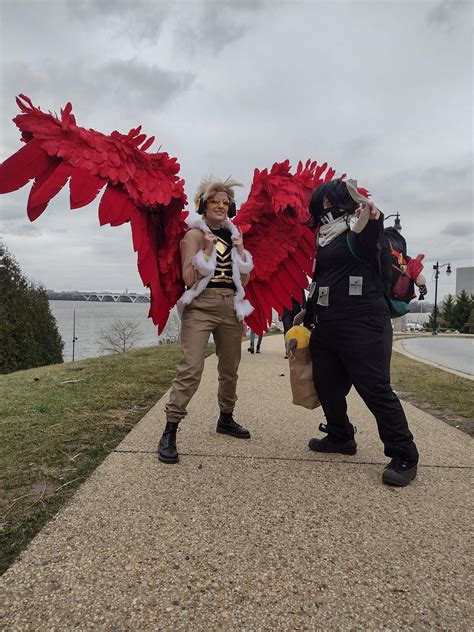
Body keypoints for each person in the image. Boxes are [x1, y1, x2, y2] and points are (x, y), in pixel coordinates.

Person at [300, 179, 419, 487]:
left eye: (330, 200)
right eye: (321, 202)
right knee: (326, 384)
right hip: (327, 324)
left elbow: (372, 231)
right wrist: (308, 312)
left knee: (375, 389)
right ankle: (340, 436)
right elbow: (324, 277)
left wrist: (369, 210)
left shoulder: (359, 229)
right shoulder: (323, 238)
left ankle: (404, 452)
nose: (325, 206)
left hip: (364, 323)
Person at [158, 178, 254, 464]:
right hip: (201, 307)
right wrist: (208, 251)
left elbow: (246, 279)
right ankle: (170, 430)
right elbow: (188, 278)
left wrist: (239, 250)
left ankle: (226, 417)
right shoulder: (193, 236)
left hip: (230, 307)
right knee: (190, 369)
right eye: (216, 202)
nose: (221, 207)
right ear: (203, 204)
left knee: (230, 368)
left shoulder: (234, 235)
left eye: (226, 203)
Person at [281, 292, 306, 357]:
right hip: (285, 310)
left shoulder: (298, 283)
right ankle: (288, 350)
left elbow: (302, 296)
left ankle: (295, 349)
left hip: (296, 310)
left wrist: (305, 309)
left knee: (295, 330)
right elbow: (279, 299)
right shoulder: (282, 285)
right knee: (287, 329)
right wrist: (279, 313)